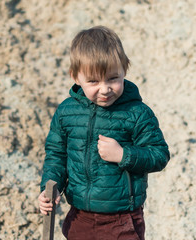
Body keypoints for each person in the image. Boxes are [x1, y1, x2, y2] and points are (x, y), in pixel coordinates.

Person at [38, 26, 170, 240]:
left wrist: (123, 155)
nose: (105, 88)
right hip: (80, 216)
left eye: (112, 78)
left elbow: (159, 155)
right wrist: (49, 188)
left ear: (124, 70)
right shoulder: (66, 112)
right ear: (75, 77)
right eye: (93, 81)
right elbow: (57, 155)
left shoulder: (137, 113)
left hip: (122, 219)